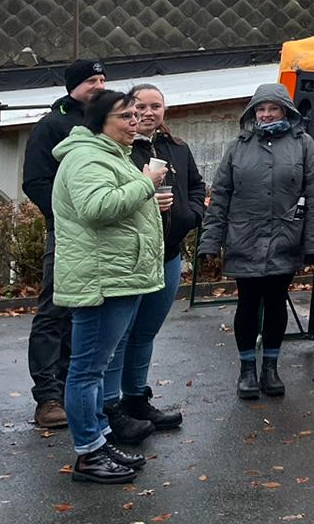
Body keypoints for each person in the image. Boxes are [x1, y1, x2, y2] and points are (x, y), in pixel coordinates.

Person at [50, 88, 166, 483]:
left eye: (137, 115)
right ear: (102, 121)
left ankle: (98, 440)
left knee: (95, 370)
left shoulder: (109, 155)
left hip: (118, 276)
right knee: (87, 371)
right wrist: (146, 183)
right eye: (127, 117)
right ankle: (88, 454)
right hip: (101, 281)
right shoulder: (86, 157)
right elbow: (97, 209)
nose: (136, 122)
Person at [198, 84, 314, 401]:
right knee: (247, 303)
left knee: (276, 302)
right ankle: (246, 371)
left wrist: (313, 243)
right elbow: (221, 195)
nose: (266, 115)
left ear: (286, 110)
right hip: (245, 238)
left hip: (285, 237)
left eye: (273, 108)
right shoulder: (238, 146)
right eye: (260, 109)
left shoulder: (303, 145)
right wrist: (210, 242)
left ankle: (270, 367)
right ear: (252, 113)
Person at [107, 84, 204, 440]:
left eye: (156, 106)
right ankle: (110, 407)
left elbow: (196, 186)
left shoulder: (177, 148)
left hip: (169, 253)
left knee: (145, 333)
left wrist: (191, 215)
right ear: (129, 111)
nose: (148, 113)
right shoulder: (119, 151)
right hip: (131, 258)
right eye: (140, 107)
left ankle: (136, 399)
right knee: (119, 335)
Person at [23, 57, 108, 429]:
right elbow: (35, 181)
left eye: (103, 78)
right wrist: (65, 217)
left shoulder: (106, 122)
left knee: (89, 310)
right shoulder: (52, 125)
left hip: (104, 233)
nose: (99, 85)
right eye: (92, 80)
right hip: (68, 233)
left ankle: (82, 390)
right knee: (55, 310)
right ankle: (48, 397)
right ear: (73, 86)